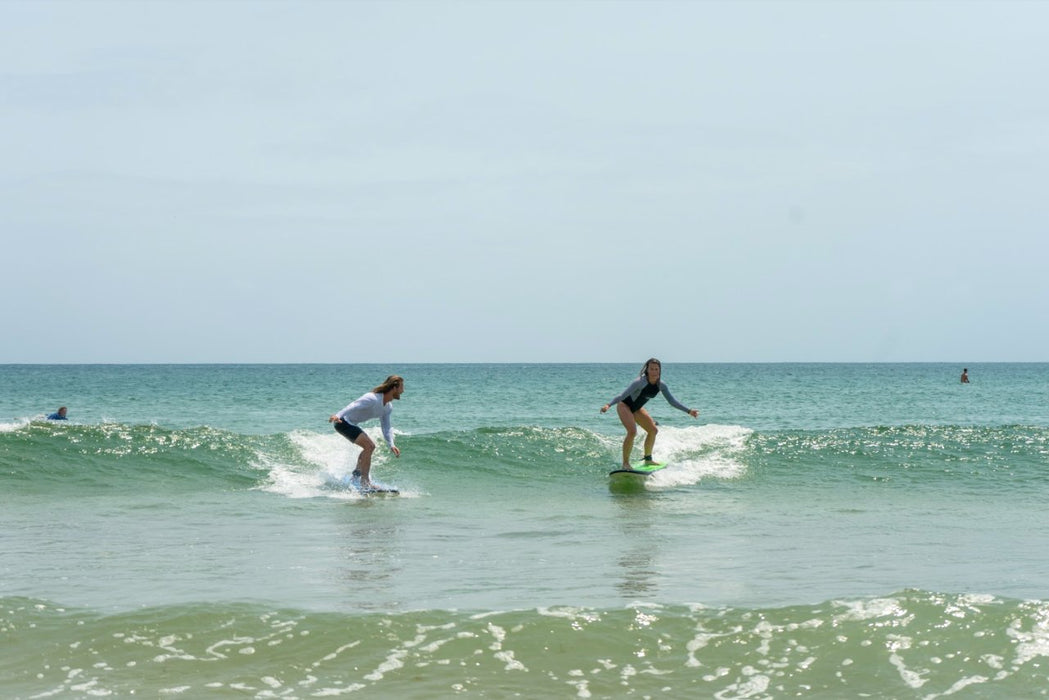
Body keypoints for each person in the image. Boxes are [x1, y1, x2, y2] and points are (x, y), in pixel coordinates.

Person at [600, 358, 699, 469]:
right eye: (651, 369)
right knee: (632, 432)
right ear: (647, 370)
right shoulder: (639, 382)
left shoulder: (661, 385)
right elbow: (622, 395)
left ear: (659, 371)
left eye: (656, 369)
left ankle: (648, 460)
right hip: (624, 406)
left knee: (653, 430)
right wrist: (608, 405)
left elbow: (672, 401)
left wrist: (689, 411)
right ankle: (625, 464)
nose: (654, 372)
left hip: (637, 408)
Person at [328, 375, 404, 488]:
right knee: (369, 446)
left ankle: (356, 476)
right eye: (401, 387)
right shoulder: (372, 398)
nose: (403, 390)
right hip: (343, 422)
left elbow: (386, 427)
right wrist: (337, 415)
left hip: (351, 424)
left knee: (368, 447)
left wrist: (391, 444)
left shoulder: (388, 407)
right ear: (394, 388)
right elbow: (352, 405)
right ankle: (365, 482)